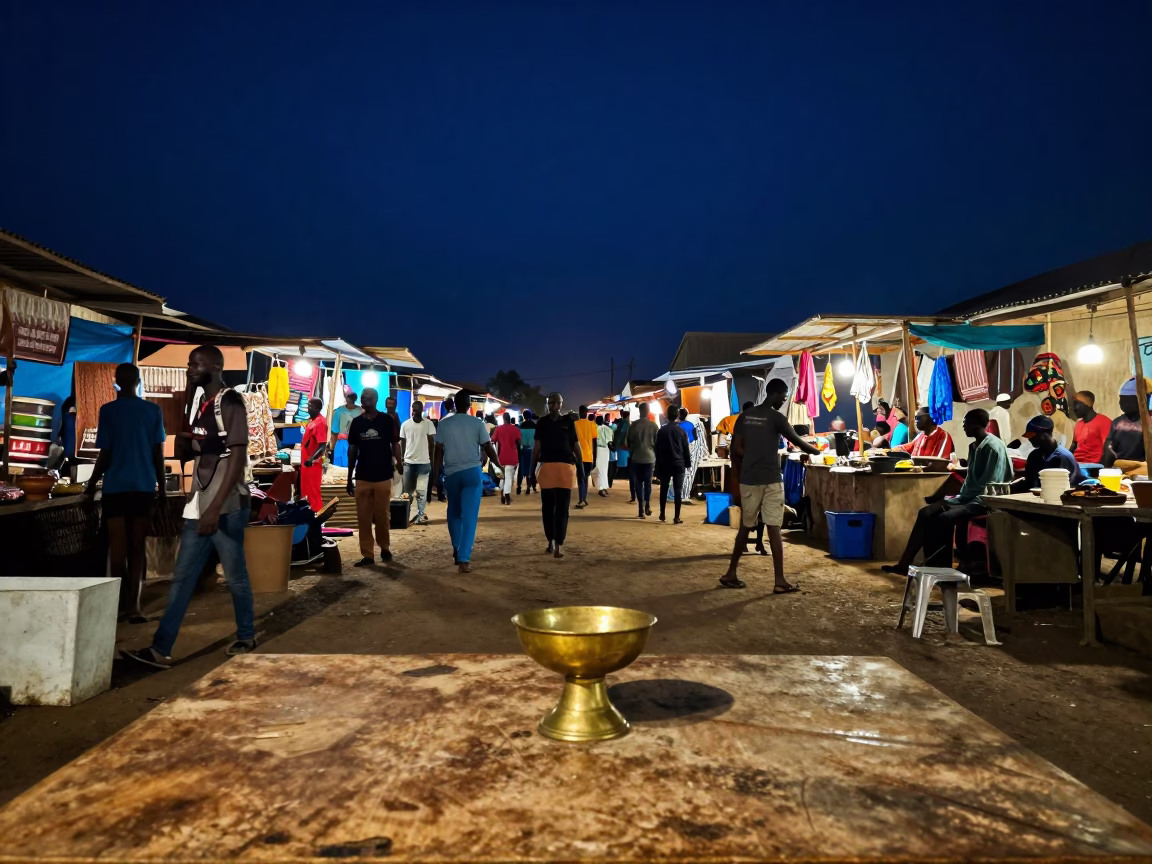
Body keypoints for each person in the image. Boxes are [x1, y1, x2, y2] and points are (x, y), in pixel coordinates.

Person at [123, 346, 256, 668]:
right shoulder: (201, 404)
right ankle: (160, 649)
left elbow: (237, 457)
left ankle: (246, 635)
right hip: (199, 505)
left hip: (225, 507)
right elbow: (196, 452)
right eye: (189, 364)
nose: (190, 368)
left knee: (235, 576)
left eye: (196, 364)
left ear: (216, 365)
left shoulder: (231, 402)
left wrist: (215, 507)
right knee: (182, 579)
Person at [883, 409, 1012, 576]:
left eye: (965, 423)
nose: (963, 426)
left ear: (975, 424)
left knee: (943, 518)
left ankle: (940, 567)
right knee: (925, 512)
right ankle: (905, 564)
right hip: (968, 498)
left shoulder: (992, 447)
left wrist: (957, 500)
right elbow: (974, 478)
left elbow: (989, 486)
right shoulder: (976, 446)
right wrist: (956, 493)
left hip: (983, 501)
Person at [721, 378, 820, 590]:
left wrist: (742, 469)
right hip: (771, 479)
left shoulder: (744, 417)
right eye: (783, 396)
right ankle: (779, 581)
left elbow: (736, 449)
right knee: (774, 527)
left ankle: (731, 573)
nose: (784, 399)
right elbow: (798, 441)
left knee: (745, 526)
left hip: (749, 479)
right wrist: (817, 451)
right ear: (775, 393)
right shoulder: (776, 418)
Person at [85, 363, 166, 624]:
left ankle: (116, 607)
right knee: (137, 547)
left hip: (115, 487)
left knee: (117, 548)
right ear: (138, 381)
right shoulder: (153, 410)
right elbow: (158, 454)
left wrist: (91, 484)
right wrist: (163, 489)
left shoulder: (108, 411)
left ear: (117, 381)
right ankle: (135, 607)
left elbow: (105, 454)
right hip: (143, 486)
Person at [431, 391, 503, 573]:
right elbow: (487, 447)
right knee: (470, 516)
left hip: (452, 473)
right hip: (472, 472)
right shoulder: (477, 423)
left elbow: (438, 451)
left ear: (455, 404)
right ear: (469, 405)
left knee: (454, 511)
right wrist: (498, 464)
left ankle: (456, 548)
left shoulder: (444, 424)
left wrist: (435, 475)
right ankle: (464, 559)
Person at [346, 387, 402, 566]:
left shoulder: (387, 420)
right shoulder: (357, 423)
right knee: (363, 518)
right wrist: (349, 476)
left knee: (382, 517)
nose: (364, 400)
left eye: (367, 398)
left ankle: (385, 548)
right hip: (363, 476)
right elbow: (353, 449)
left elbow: (395, 443)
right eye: (363, 398)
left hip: (383, 476)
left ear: (376, 400)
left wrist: (399, 463)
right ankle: (368, 554)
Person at [532, 392, 583, 558]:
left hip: (565, 469)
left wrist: (581, 466)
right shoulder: (542, 422)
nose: (553, 405)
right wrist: (531, 470)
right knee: (548, 508)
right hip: (547, 468)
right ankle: (551, 541)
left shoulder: (569, 422)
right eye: (550, 403)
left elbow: (575, 445)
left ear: (561, 404)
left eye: (556, 403)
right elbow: (537, 447)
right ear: (548, 404)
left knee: (562, 509)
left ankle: (558, 544)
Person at [1013, 415, 1085, 490]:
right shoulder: (1034, 456)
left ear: (1044, 435)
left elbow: (1059, 488)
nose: (1029, 439)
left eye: (1031, 436)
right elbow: (1029, 483)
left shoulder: (1062, 457)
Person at [399, 400, 436, 524]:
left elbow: (432, 444)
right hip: (409, 462)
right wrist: (402, 459)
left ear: (422, 409)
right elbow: (402, 443)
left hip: (424, 463)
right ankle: (405, 517)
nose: (416, 411)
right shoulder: (405, 425)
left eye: (418, 408)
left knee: (421, 491)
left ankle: (420, 515)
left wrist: (430, 459)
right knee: (407, 493)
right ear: (412, 409)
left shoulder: (429, 424)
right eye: (414, 408)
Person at [655, 405, 692, 523]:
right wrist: (688, 464)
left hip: (665, 463)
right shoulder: (682, 432)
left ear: (666, 415)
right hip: (679, 463)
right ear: (677, 416)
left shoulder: (661, 431)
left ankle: (662, 514)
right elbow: (686, 449)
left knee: (664, 488)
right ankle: (676, 517)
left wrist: (657, 466)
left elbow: (657, 449)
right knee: (678, 490)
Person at [1103, 378, 1148, 473]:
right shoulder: (1117, 422)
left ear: (1140, 401)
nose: (1122, 403)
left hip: (1143, 467)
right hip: (1121, 466)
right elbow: (1109, 448)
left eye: (1127, 400)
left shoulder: (1148, 422)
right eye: (1121, 399)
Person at [625, 402, 658, 518]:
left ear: (639, 411)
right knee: (648, 483)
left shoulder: (633, 425)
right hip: (650, 458)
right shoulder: (654, 426)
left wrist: (633, 449)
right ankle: (647, 504)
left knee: (638, 483)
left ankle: (641, 509)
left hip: (637, 457)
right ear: (648, 411)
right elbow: (657, 443)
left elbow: (628, 443)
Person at [298, 398, 328, 512]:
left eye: (310, 406)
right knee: (306, 492)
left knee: (313, 493)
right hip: (306, 464)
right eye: (308, 406)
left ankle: (316, 516)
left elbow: (322, 445)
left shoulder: (320, 423)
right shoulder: (312, 421)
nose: (308, 409)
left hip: (313, 465)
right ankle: (307, 516)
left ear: (317, 408)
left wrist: (312, 459)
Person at [1070, 391, 1111, 470]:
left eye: (1076, 404)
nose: (1073, 408)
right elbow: (1073, 446)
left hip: (1094, 466)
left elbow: (1108, 450)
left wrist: (1103, 470)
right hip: (1077, 465)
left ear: (1088, 404)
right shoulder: (1078, 424)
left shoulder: (1103, 422)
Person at [491, 411, 522, 505]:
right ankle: (507, 494)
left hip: (501, 456)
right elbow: (519, 441)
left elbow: (493, 439)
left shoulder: (499, 429)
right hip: (512, 456)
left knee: (502, 476)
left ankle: (503, 493)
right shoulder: (515, 429)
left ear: (503, 419)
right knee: (509, 476)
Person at [329, 390, 362, 467]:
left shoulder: (360, 411)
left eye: (352, 397)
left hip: (356, 443)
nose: (350, 399)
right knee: (340, 469)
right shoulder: (339, 411)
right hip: (342, 443)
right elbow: (334, 432)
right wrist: (332, 448)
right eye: (349, 397)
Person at [573, 407, 598, 509]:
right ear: (586, 413)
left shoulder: (575, 424)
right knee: (586, 477)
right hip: (589, 456)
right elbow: (595, 442)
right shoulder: (592, 424)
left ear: (579, 413)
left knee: (580, 479)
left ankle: (581, 500)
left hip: (578, 456)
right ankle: (584, 498)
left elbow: (572, 441)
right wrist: (595, 457)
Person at [612, 410, 633, 499]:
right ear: (628, 416)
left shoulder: (621, 423)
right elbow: (624, 434)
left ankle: (619, 474)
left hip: (620, 446)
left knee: (621, 462)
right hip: (623, 446)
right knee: (624, 463)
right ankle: (621, 475)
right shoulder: (625, 423)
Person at [517, 410, 537, 495]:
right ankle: (529, 487)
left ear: (523, 416)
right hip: (532, 450)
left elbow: (518, 440)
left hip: (522, 450)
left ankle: (519, 486)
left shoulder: (520, 426)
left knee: (521, 468)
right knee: (531, 468)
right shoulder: (535, 426)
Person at [594, 415, 613, 497]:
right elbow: (610, 442)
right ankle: (604, 487)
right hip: (606, 450)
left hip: (598, 449)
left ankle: (601, 488)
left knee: (599, 469)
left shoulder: (595, 428)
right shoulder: (608, 429)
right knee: (604, 469)